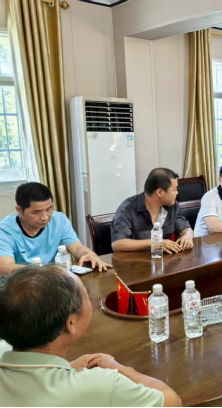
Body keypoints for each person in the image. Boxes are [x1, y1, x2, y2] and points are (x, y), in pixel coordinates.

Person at [0, 265, 181, 407]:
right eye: (86, 296)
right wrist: (117, 368)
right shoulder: (101, 385)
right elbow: (171, 401)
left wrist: (68, 367)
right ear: (71, 323)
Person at [0, 183, 111, 276]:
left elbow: (77, 248)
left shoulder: (59, 220)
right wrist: (45, 270)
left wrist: (89, 253)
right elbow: (5, 267)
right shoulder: (4, 230)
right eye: (36, 212)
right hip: (18, 284)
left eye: (49, 209)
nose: (45, 217)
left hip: (53, 280)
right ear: (19, 210)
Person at [112, 168, 194, 254]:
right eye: (174, 189)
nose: (177, 193)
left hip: (165, 259)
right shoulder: (127, 208)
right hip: (136, 260)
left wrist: (187, 236)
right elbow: (117, 244)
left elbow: (185, 228)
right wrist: (154, 243)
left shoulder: (172, 206)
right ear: (159, 192)